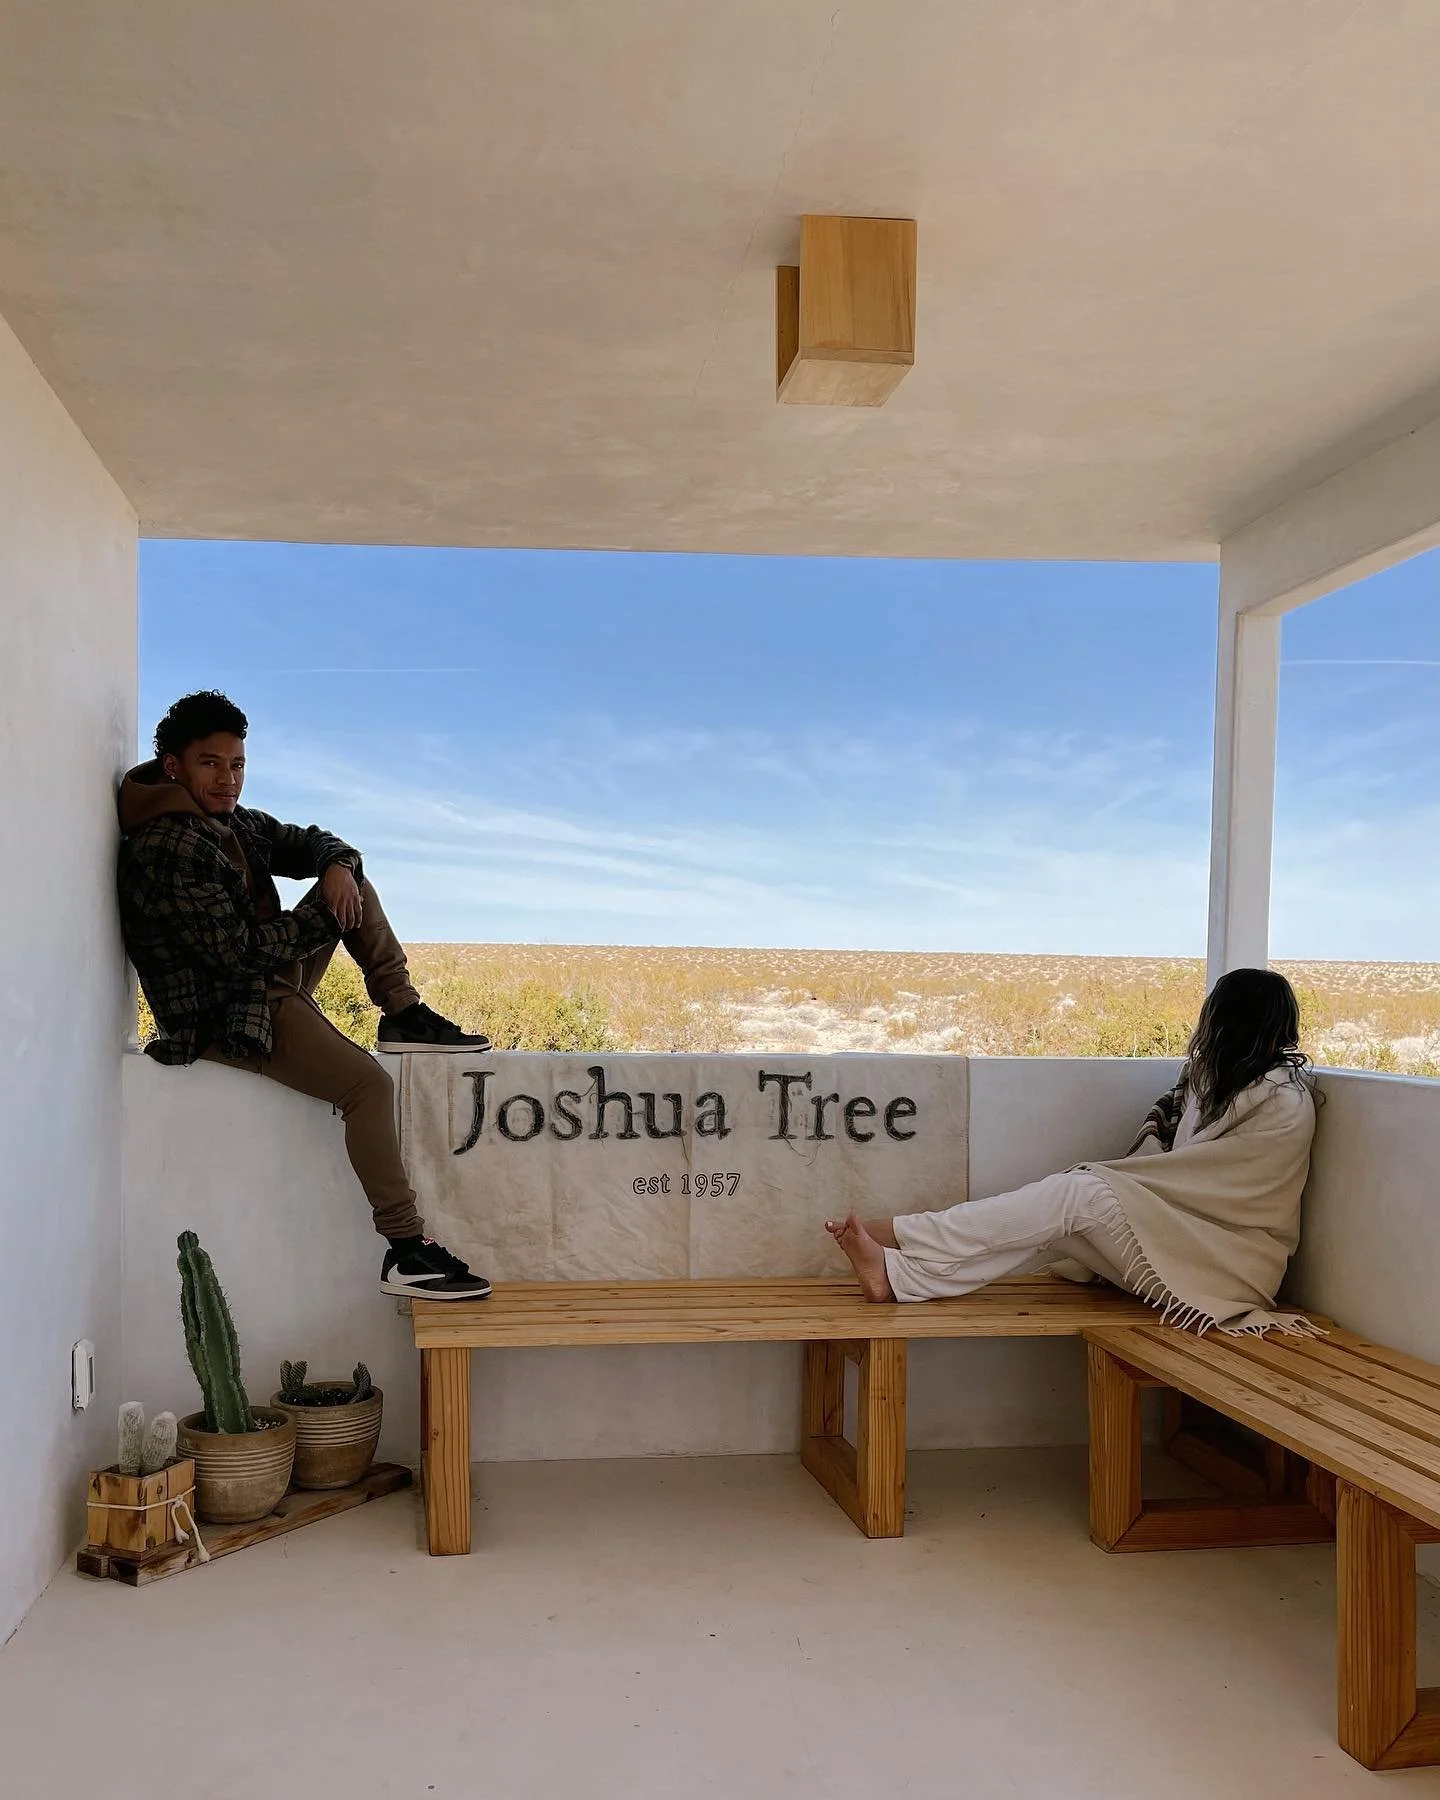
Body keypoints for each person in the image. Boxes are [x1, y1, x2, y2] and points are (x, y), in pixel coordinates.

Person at [118, 689, 493, 1301]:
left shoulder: (231, 820)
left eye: (237, 765)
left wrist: (338, 866)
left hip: (257, 983)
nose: (228, 779)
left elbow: (308, 841)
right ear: (173, 766)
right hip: (225, 1016)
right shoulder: (167, 846)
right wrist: (323, 916)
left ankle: (402, 1013)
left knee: (352, 884)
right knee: (367, 1086)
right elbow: (237, 954)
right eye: (211, 764)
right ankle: (405, 1251)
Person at [827, 968, 1320, 1337]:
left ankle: (900, 1233)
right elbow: (1183, 1175)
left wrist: (1117, 1184)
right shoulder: (1205, 1084)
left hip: (1228, 1270)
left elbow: (1211, 1185)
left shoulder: (1282, 1100)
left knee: (1078, 1195)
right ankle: (900, 1276)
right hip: (1181, 1246)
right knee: (1055, 1215)